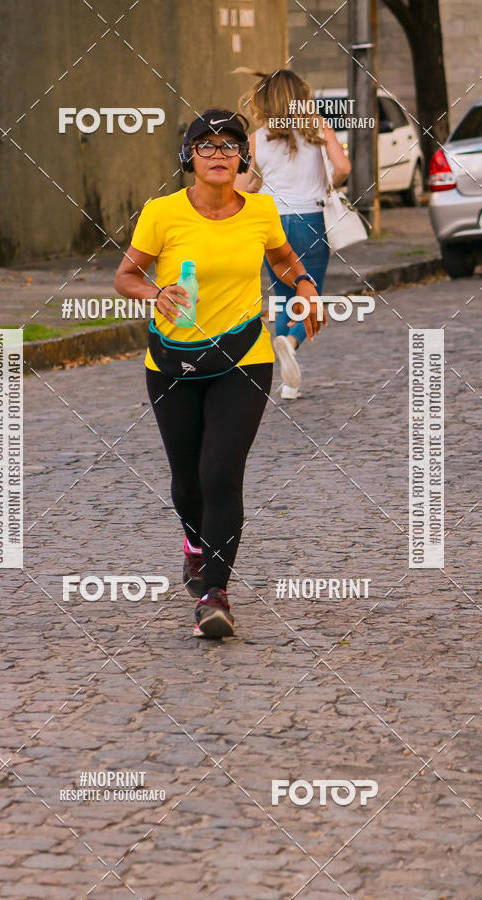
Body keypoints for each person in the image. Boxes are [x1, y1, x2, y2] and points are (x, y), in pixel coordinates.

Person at [113, 108, 325, 639]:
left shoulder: (260, 210)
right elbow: (126, 276)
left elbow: (281, 258)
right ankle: (193, 545)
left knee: (220, 473)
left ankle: (215, 594)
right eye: (205, 146)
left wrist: (304, 284)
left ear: (242, 159)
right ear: (188, 157)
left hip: (243, 355)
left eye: (229, 146)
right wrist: (156, 293)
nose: (218, 155)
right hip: (171, 362)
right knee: (187, 482)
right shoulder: (162, 213)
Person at [235, 69, 351, 399]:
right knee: (310, 291)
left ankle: (289, 383)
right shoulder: (316, 128)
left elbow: (239, 187)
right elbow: (342, 167)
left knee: (285, 294)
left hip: (272, 223)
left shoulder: (256, 138)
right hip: (310, 219)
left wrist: (257, 188)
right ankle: (290, 342)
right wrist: (330, 185)